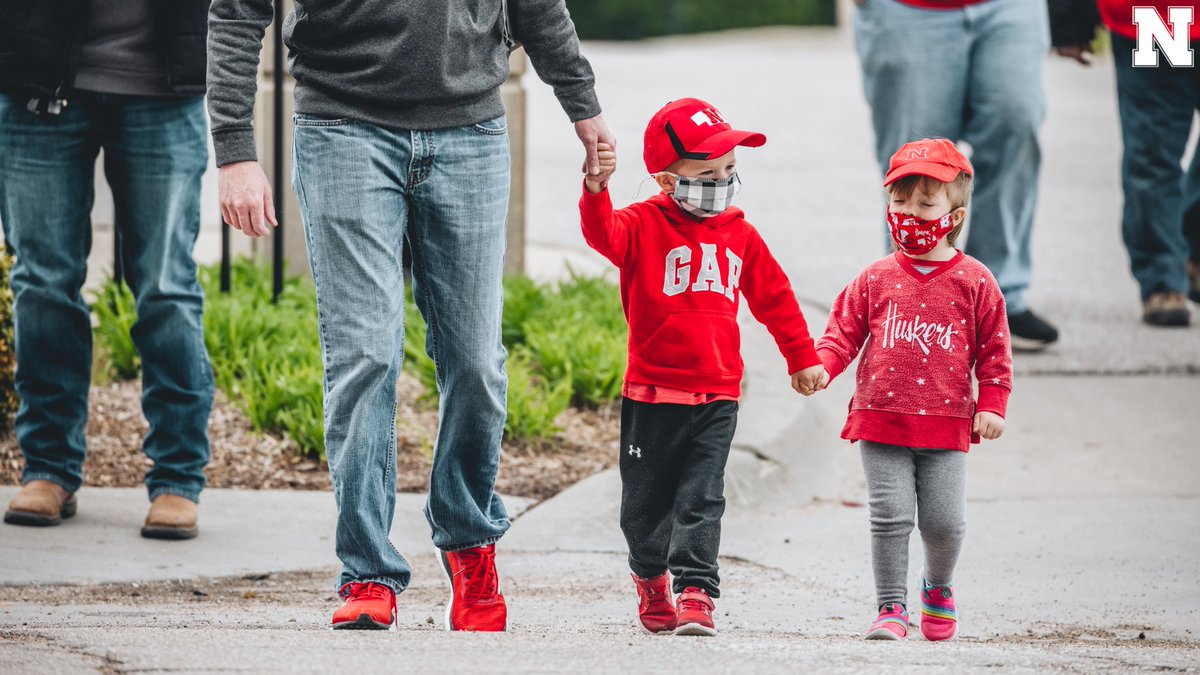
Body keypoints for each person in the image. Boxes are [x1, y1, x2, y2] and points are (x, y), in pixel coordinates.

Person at [206, 0, 613, 631]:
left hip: (470, 131)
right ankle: (367, 569)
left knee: (477, 363)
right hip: (342, 124)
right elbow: (237, 10)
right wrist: (234, 149)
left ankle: (469, 541)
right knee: (365, 354)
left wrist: (582, 102)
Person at [579, 98, 828, 636]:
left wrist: (801, 356)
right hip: (651, 394)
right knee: (643, 508)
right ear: (668, 182)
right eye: (707, 173)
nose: (723, 182)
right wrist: (597, 190)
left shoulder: (740, 233)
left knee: (701, 499)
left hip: (717, 395)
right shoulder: (642, 224)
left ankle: (696, 591)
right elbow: (603, 236)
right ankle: (650, 578)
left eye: (730, 171)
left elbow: (777, 298)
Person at [0, 0, 214, 540]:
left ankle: (177, 478)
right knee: (42, 283)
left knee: (166, 287)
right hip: (37, 73)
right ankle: (48, 467)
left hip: (163, 84)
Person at [815, 139, 1013, 641]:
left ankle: (938, 586)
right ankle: (890, 607)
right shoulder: (875, 277)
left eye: (925, 204)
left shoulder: (976, 282)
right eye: (899, 202)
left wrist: (992, 404)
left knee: (945, 524)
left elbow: (995, 352)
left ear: (954, 214)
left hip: (947, 423)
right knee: (890, 518)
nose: (909, 214)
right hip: (881, 418)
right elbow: (843, 332)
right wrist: (821, 366)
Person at [853, 0, 1060, 350]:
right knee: (915, 163)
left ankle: (995, 298)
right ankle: (915, 305)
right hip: (907, 10)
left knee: (1016, 125)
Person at [1050, 0, 1199, 326]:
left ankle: (1192, 241)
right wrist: (1071, 19)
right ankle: (1162, 279)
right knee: (1155, 151)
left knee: (1154, 154)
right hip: (1160, 19)